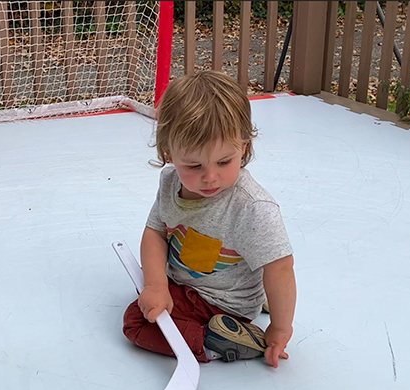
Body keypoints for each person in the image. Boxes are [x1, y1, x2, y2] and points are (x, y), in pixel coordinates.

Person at [122, 71, 296, 368]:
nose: (210, 176)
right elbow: (155, 232)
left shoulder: (251, 207)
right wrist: (156, 284)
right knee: (149, 299)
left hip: (224, 304)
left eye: (224, 162)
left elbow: (279, 268)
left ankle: (219, 341)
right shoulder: (169, 182)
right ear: (169, 153)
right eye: (193, 165)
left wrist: (280, 328)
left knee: (136, 321)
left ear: (243, 146)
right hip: (188, 285)